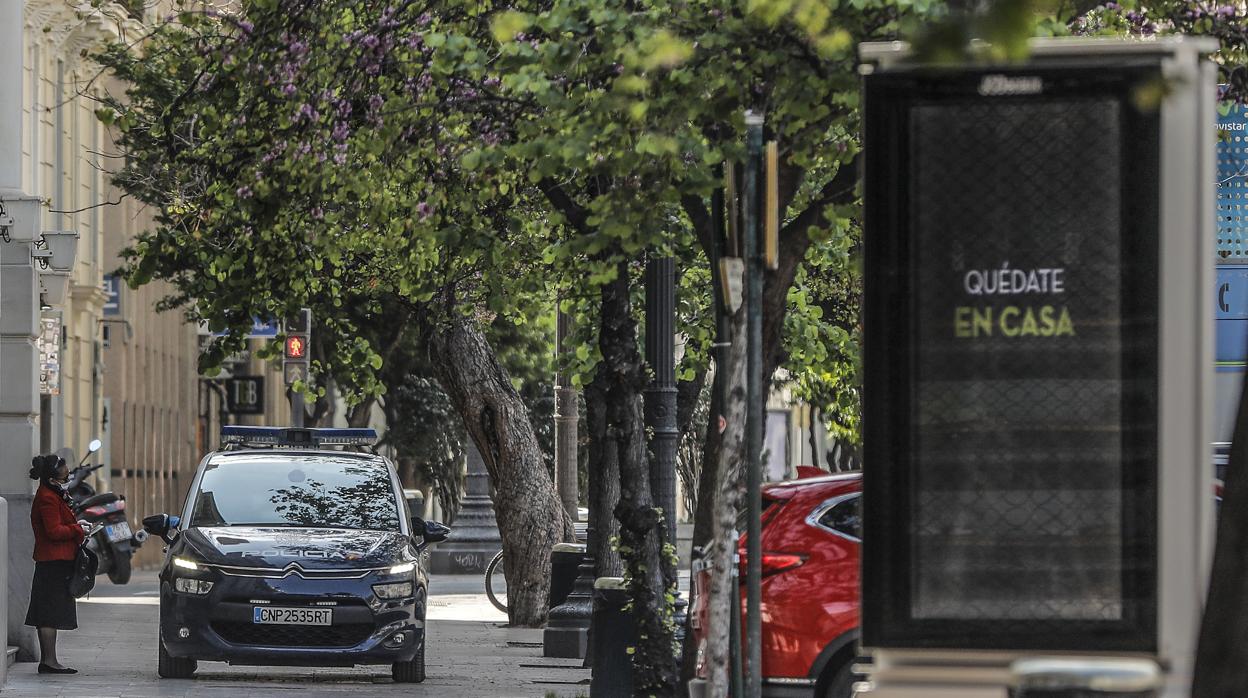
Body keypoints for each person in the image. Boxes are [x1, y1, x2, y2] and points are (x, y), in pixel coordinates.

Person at [24, 453, 89, 675]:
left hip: (58, 560)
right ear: (52, 480)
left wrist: (76, 525)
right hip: (52, 562)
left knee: (52, 611)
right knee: (48, 613)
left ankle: (50, 660)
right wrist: (77, 530)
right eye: (64, 478)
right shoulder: (47, 498)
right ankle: (49, 662)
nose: (67, 480)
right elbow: (53, 531)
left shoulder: (53, 495)